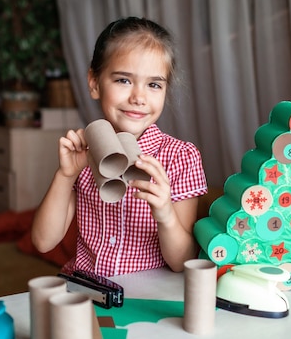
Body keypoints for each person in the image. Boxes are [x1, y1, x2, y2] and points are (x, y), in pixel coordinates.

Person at [31, 16, 207, 277]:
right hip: (85, 289)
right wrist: (65, 175)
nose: (138, 97)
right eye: (123, 80)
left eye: (154, 84)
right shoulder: (84, 153)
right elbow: (44, 241)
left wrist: (165, 213)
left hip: (147, 299)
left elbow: (182, 262)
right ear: (94, 83)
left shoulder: (181, 157)